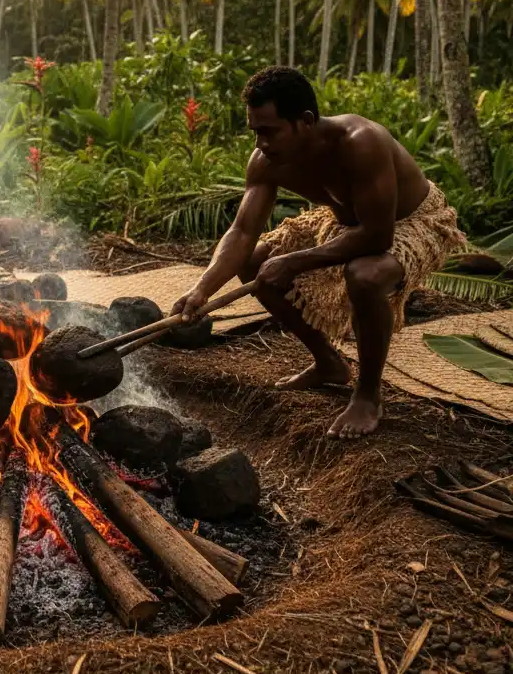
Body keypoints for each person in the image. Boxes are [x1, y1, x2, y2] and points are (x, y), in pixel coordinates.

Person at [172, 67, 464, 438]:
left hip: (409, 221)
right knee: (254, 263)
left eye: (269, 131)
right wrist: (202, 290)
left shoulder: (361, 142)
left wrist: (293, 261)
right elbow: (243, 231)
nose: (259, 142)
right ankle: (328, 362)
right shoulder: (266, 160)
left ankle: (368, 395)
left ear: (305, 121)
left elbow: (377, 236)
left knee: (364, 275)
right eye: (254, 131)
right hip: (340, 220)